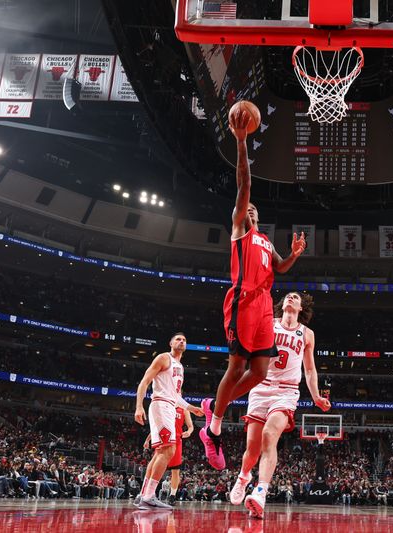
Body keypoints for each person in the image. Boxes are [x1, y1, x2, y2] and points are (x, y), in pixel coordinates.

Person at [199, 107, 307, 471]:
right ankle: (213, 429)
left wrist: (292, 255)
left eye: (256, 211)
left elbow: (280, 268)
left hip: (264, 305)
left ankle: (216, 408)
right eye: (249, 209)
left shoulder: (263, 239)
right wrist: (242, 143)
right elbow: (244, 185)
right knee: (236, 368)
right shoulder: (240, 229)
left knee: (260, 370)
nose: (253, 211)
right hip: (243, 301)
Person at [228, 292, 330, 519]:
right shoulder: (268, 323)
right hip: (260, 385)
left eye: (296, 297)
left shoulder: (307, 334)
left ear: (302, 307)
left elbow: (310, 370)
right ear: (282, 305)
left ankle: (261, 492)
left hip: (286, 391)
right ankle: (244, 477)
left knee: (269, 435)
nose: (291, 297)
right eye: (288, 296)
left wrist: (315, 396)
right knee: (252, 449)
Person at [134, 332, 204, 509]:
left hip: (169, 406)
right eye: (178, 339)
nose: (182, 341)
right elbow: (144, 382)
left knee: (159, 453)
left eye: (184, 340)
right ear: (171, 343)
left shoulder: (180, 367)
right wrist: (139, 406)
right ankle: (149, 496)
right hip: (160, 405)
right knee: (168, 450)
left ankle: (143, 494)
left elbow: (176, 396)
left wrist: (191, 408)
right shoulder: (163, 358)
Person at [143, 405, 194, 505]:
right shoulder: (165, 406)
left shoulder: (183, 409)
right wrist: (148, 439)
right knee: (155, 466)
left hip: (176, 441)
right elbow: (158, 426)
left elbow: (191, 426)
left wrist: (189, 432)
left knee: (175, 471)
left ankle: (172, 495)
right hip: (163, 439)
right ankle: (146, 493)